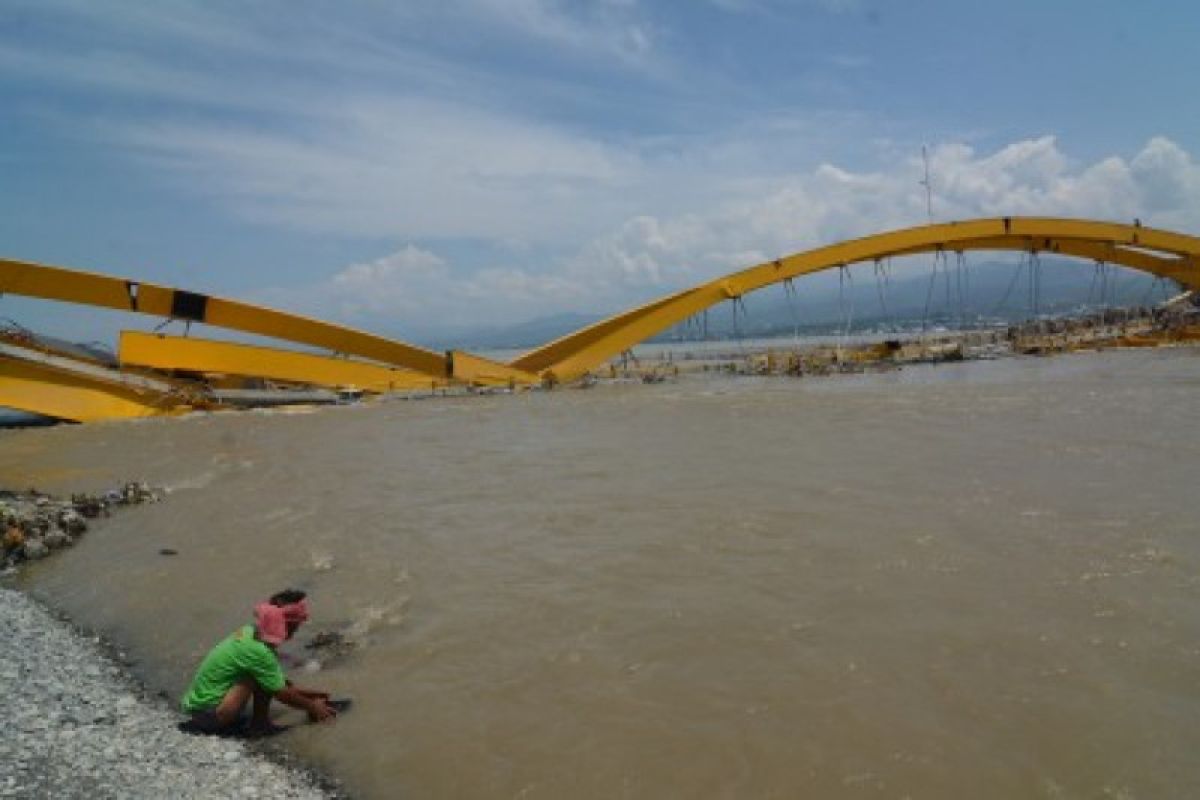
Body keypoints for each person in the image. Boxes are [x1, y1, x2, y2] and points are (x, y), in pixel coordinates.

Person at [180, 588, 337, 736]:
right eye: (295, 627)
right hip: (211, 716)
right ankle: (260, 725)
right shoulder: (259, 652)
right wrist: (312, 706)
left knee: (264, 676)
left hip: (199, 708)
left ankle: (259, 723)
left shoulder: (249, 632)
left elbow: (276, 680)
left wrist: (309, 695)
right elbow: (280, 692)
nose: (296, 631)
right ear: (286, 625)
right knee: (257, 677)